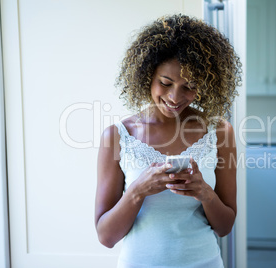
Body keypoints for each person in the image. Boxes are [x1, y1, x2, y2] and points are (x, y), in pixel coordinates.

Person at [95, 14, 242, 268]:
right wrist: (139, 190)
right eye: (166, 83)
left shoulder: (220, 132)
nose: (175, 97)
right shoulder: (118, 136)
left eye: (189, 86)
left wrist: (204, 193)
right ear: (147, 75)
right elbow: (106, 236)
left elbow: (225, 227)